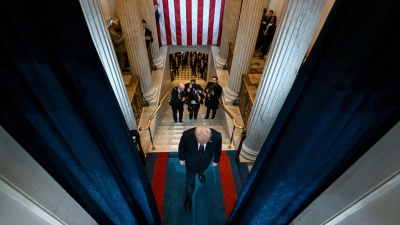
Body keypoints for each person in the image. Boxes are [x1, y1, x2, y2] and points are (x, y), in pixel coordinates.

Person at [179, 125, 222, 211]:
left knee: (202, 170)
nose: (202, 144)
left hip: (205, 161)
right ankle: (188, 196)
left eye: (205, 143)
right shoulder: (187, 135)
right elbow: (182, 147)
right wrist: (182, 158)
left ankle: (201, 174)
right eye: (200, 142)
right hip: (191, 162)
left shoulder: (217, 136)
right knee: (190, 179)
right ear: (195, 136)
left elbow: (218, 149)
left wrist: (216, 160)